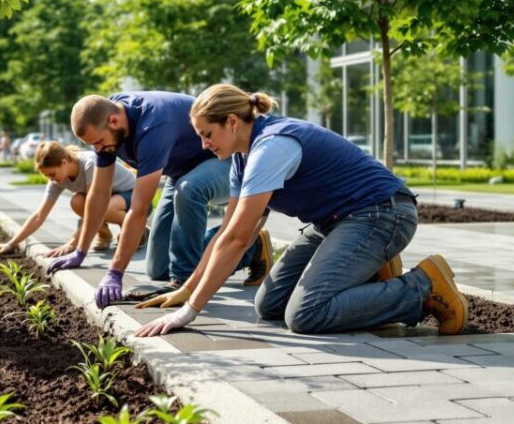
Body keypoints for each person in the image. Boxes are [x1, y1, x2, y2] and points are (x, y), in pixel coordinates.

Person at [135, 84, 467, 337]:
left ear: (232, 122)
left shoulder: (271, 148)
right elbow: (228, 232)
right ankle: (371, 271)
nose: (204, 146)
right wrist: (187, 287)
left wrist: (190, 312)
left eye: (207, 135)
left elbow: (237, 240)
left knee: (307, 315)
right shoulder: (240, 157)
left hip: (381, 214)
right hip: (336, 222)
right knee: (269, 305)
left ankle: (424, 288)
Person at [47, 92, 272, 309]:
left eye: (98, 142)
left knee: (189, 190)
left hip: (229, 159)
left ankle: (185, 282)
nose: (98, 150)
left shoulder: (153, 125)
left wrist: (115, 272)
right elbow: (98, 195)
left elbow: (139, 209)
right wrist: (80, 251)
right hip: (181, 172)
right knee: (158, 269)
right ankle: (252, 247)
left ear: (114, 121)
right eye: (92, 145)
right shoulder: (106, 121)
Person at [0, 141, 143, 257]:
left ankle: (137, 228)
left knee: (103, 207)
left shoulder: (90, 164)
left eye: (51, 174)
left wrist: (72, 244)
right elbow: (39, 215)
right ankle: (104, 234)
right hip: (110, 199)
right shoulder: (58, 178)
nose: (51, 179)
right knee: (77, 201)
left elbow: (97, 206)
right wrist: (11, 244)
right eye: (47, 176)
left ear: (64, 162)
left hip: (134, 197)